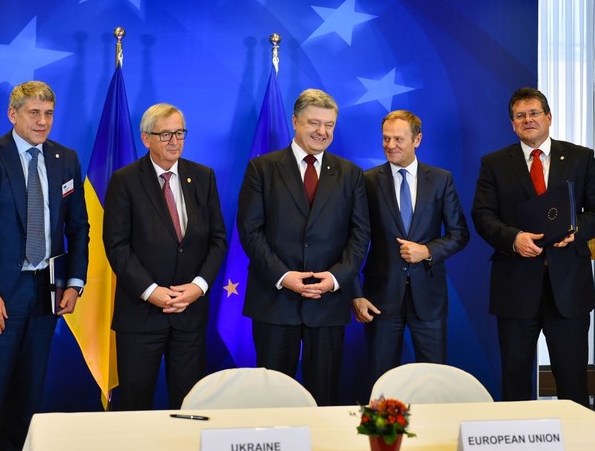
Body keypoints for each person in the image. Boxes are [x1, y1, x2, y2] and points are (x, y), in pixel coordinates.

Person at [0, 81, 90, 451]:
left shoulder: (66, 159)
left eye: (49, 114)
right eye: (34, 113)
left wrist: (74, 282)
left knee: (27, 399)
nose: (42, 122)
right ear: (13, 114)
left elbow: (78, 227)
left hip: (45, 296)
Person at [471, 87, 595, 406]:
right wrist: (513, 239)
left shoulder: (580, 157)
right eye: (520, 115)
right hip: (515, 286)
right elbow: (483, 215)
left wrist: (576, 230)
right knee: (515, 379)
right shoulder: (494, 164)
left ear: (548, 117)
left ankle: (575, 434)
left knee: (572, 380)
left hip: (568, 287)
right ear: (512, 124)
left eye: (534, 113)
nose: (528, 120)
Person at [237, 88, 370, 406]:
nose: (322, 132)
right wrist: (284, 277)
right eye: (314, 123)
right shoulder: (262, 169)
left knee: (324, 397)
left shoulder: (350, 174)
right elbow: (250, 231)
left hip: (328, 303)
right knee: (272, 398)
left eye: (329, 125)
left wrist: (335, 278)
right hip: (274, 301)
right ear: (295, 121)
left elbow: (360, 235)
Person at [103, 103, 227, 410]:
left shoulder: (203, 177)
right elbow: (117, 246)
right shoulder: (125, 180)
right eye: (166, 134)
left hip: (189, 314)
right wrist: (151, 291)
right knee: (135, 406)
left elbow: (217, 240)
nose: (175, 141)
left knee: (189, 405)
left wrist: (198, 287)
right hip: (140, 316)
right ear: (146, 139)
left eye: (180, 133)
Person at [353, 110, 470, 383]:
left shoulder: (441, 179)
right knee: (381, 380)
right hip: (380, 299)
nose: (390, 145)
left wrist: (427, 251)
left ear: (417, 140)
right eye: (386, 138)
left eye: (398, 139)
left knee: (434, 381)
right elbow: (354, 241)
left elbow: (460, 234)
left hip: (429, 298)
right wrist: (355, 293)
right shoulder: (367, 181)